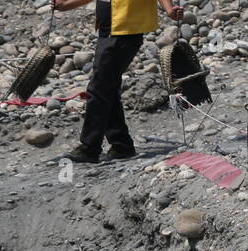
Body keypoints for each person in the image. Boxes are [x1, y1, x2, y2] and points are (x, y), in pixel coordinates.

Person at [54, 0, 186, 163]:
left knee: (99, 88)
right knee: (107, 86)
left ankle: (89, 148)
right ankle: (121, 145)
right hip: (109, 30)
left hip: (124, 31)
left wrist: (169, 9)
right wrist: (66, 5)